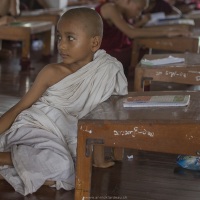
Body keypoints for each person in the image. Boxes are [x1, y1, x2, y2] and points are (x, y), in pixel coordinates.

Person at [0, 7, 128, 195]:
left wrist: (99, 160)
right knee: (63, 167)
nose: (61, 45)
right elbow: (21, 105)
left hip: (59, 140)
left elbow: (101, 116)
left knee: (61, 170)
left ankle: (15, 166)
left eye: (70, 38)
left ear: (94, 43)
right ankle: (4, 160)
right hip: (35, 127)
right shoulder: (52, 72)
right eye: (59, 37)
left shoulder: (106, 70)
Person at [95, 0, 190, 76]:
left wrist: (173, 28)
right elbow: (131, 33)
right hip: (104, 56)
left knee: (146, 49)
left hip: (117, 51)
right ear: (128, 1)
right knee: (147, 50)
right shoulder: (109, 8)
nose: (139, 13)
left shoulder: (121, 11)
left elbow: (131, 30)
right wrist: (167, 32)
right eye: (139, 9)